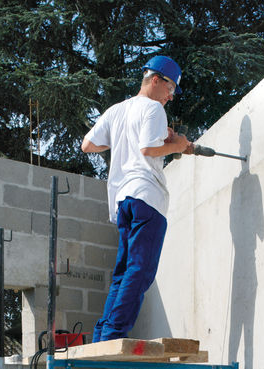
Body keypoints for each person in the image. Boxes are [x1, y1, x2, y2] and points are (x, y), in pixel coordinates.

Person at [81, 55, 193, 342]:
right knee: (140, 270)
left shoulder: (117, 111)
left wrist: (123, 138)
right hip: (147, 197)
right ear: (156, 80)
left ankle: (103, 332)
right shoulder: (153, 109)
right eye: (170, 89)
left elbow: (88, 144)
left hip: (123, 201)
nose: (170, 96)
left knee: (123, 271)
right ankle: (114, 333)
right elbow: (147, 149)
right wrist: (177, 144)